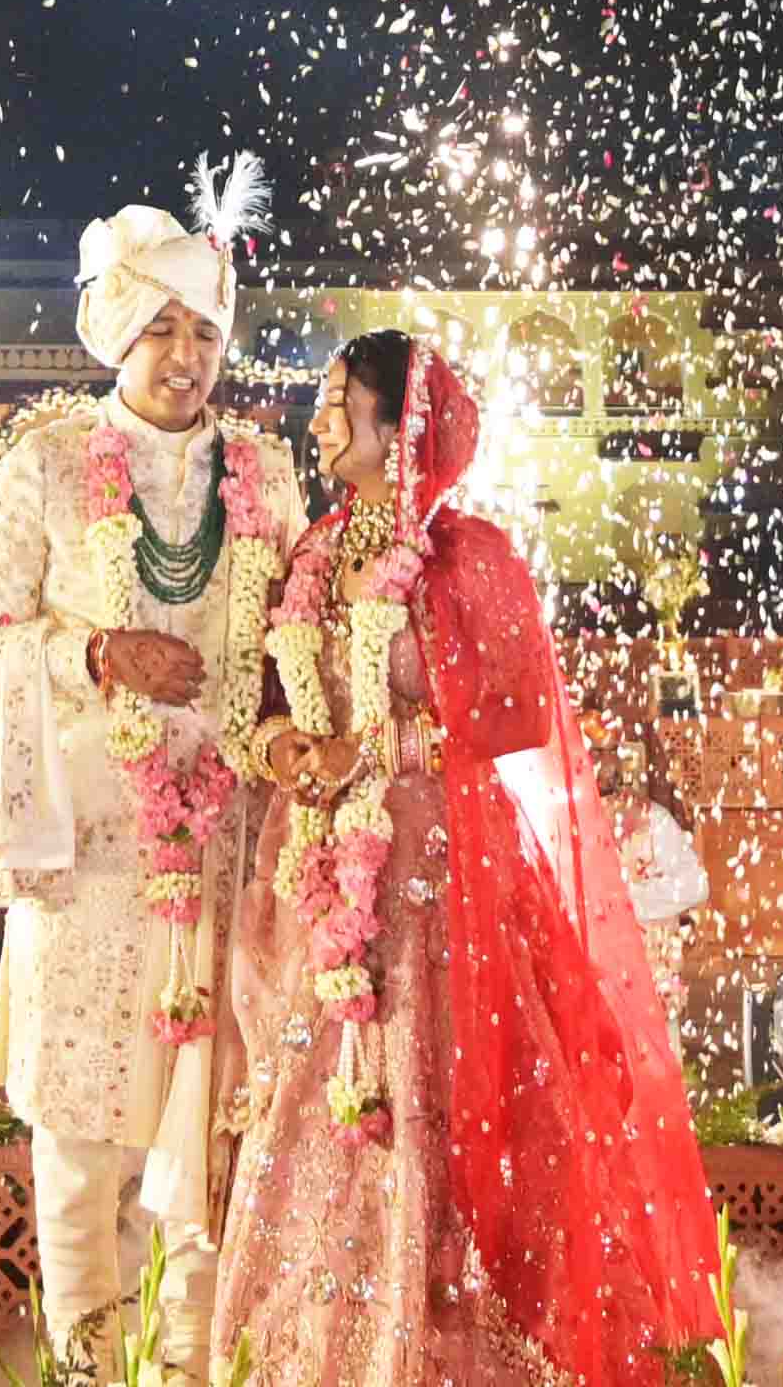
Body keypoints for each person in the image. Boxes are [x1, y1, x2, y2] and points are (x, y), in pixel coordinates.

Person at [200, 329, 721, 1387]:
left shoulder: (467, 554)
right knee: (313, 1082)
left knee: (437, 1085)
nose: (319, 419)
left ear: (403, 427)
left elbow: (520, 712)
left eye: (341, 402)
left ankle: (440, 1346)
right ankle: (311, 1350)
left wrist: (387, 737)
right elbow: (255, 711)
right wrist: (290, 747)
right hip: (321, 869)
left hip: (437, 874)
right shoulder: (311, 555)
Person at [0, 204, 291, 1362]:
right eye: (162, 327)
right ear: (117, 334)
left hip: (228, 852)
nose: (187, 354)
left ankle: (190, 1360)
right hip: (86, 856)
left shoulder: (267, 472)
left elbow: (301, 639)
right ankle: (90, 1358)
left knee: (213, 1124)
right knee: (83, 1137)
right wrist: (93, 653)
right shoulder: (41, 463)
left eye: (206, 330)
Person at [616, 757, 713, 1015]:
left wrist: (628, 901)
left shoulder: (654, 820)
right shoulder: (570, 822)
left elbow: (696, 885)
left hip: (652, 975)